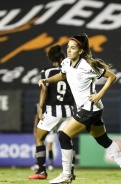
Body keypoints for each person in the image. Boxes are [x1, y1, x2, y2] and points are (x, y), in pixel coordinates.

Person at [38, 33, 121, 184]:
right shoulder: (66, 63)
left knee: (63, 136)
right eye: (68, 47)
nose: (69, 51)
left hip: (90, 108)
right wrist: (47, 80)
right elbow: (62, 76)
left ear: (80, 50)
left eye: (73, 48)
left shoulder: (88, 65)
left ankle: (66, 174)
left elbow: (112, 77)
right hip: (90, 109)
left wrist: (99, 94)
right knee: (103, 140)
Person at [28, 45, 76, 180]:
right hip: (68, 111)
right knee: (67, 140)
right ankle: (70, 171)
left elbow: (44, 89)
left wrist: (40, 108)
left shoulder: (47, 72)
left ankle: (41, 171)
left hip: (52, 112)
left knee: (39, 138)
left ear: (51, 59)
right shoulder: (71, 71)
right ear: (62, 57)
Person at [30, 103, 57, 171]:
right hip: (42, 126)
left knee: (49, 146)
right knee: (39, 143)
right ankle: (37, 164)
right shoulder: (39, 104)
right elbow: (37, 116)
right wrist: (35, 128)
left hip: (52, 127)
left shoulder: (54, 102)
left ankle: (50, 164)